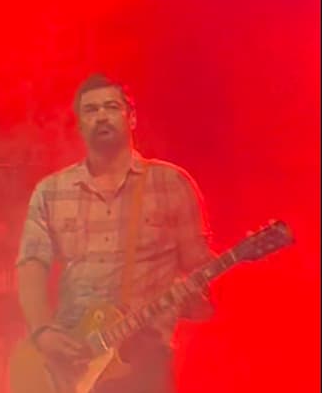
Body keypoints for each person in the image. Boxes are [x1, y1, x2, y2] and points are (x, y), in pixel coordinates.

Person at [15, 74, 214, 393]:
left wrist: (197, 299)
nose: (101, 116)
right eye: (91, 110)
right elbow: (31, 265)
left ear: (131, 117)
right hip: (73, 360)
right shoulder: (51, 191)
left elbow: (199, 266)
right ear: (80, 123)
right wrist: (42, 332)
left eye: (111, 107)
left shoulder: (171, 184)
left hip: (145, 360)